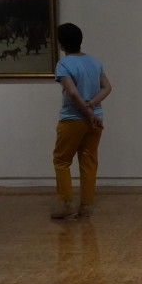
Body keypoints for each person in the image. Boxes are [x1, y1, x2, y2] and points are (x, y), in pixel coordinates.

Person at [51, 23, 112, 220]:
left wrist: (87, 111)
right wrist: (92, 106)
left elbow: (72, 93)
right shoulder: (94, 62)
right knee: (88, 161)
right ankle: (86, 205)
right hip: (95, 120)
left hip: (72, 119)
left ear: (61, 43)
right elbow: (107, 87)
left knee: (61, 160)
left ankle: (66, 204)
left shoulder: (63, 64)